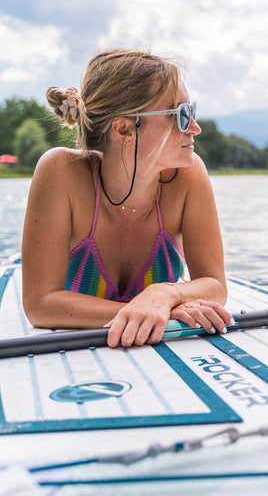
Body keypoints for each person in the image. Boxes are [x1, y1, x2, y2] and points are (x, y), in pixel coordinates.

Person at [21, 48, 233, 349]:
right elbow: (40, 305)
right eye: (181, 115)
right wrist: (155, 310)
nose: (195, 128)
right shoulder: (60, 172)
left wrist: (164, 295)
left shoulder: (189, 176)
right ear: (124, 129)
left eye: (192, 112)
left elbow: (215, 286)